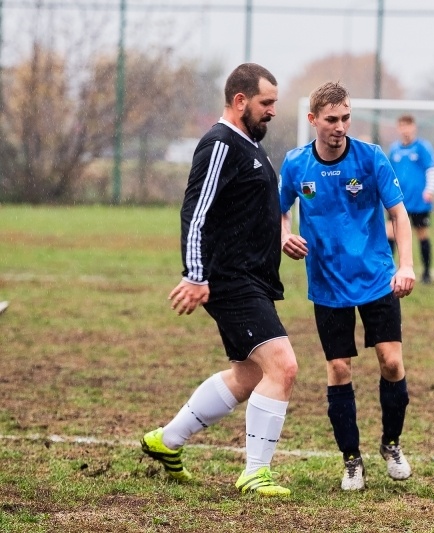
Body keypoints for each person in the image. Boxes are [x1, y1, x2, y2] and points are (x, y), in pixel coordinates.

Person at [140, 63, 298, 497]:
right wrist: (194, 274)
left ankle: (166, 440)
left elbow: (248, 210)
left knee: (248, 375)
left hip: (252, 278)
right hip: (229, 279)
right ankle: (255, 471)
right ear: (240, 101)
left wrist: (280, 235)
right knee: (283, 368)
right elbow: (196, 212)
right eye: (266, 103)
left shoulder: (250, 144)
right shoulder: (220, 144)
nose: (272, 112)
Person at [279, 81, 416, 491]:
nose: (340, 126)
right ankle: (351, 459)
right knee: (339, 368)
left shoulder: (371, 159)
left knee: (391, 363)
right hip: (327, 283)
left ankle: (391, 444)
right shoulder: (296, 165)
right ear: (313, 120)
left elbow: (399, 214)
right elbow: (279, 211)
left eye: (346, 118)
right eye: (332, 119)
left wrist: (405, 265)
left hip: (376, 277)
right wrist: (283, 235)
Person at [385, 114, 434, 284]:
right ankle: (389, 270)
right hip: (397, 200)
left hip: (418, 200)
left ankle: (426, 272)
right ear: (398, 128)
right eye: (402, 126)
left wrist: (430, 190)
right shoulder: (394, 149)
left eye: (408, 126)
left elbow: (432, 168)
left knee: (421, 234)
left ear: (413, 128)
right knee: (390, 233)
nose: (405, 130)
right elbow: (387, 173)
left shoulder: (422, 147)